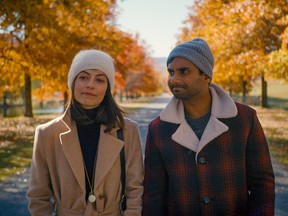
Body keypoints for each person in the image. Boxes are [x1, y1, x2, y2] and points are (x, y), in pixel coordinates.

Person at [142, 38, 275, 215]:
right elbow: (153, 194)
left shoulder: (244, 118)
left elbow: (262, 183)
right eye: (171, 72)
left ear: (206, 75)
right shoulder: (158, 129)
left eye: (184, 71)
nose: (174, 79)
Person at [27, 49, 144, 216]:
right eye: (83, 77)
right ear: (72, 82)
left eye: (100, 80)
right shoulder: (47, 133)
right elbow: (38, 196)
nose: (90, 84)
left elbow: (135, 189)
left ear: (107, 88)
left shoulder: (128, 130)